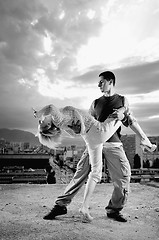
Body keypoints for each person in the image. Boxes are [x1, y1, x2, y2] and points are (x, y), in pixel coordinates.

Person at [36, 71, 156, 222]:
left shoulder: (122, 100)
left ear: (110, 82)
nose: (98, 85)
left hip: (114, 143)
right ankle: (60, 205)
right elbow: (85, 126)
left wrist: (123, 114)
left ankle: (114, 209)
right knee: (80, 174)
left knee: (124, 176)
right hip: (95, 141)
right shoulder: (95, 103)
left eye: (101, 82)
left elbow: (127, 120)